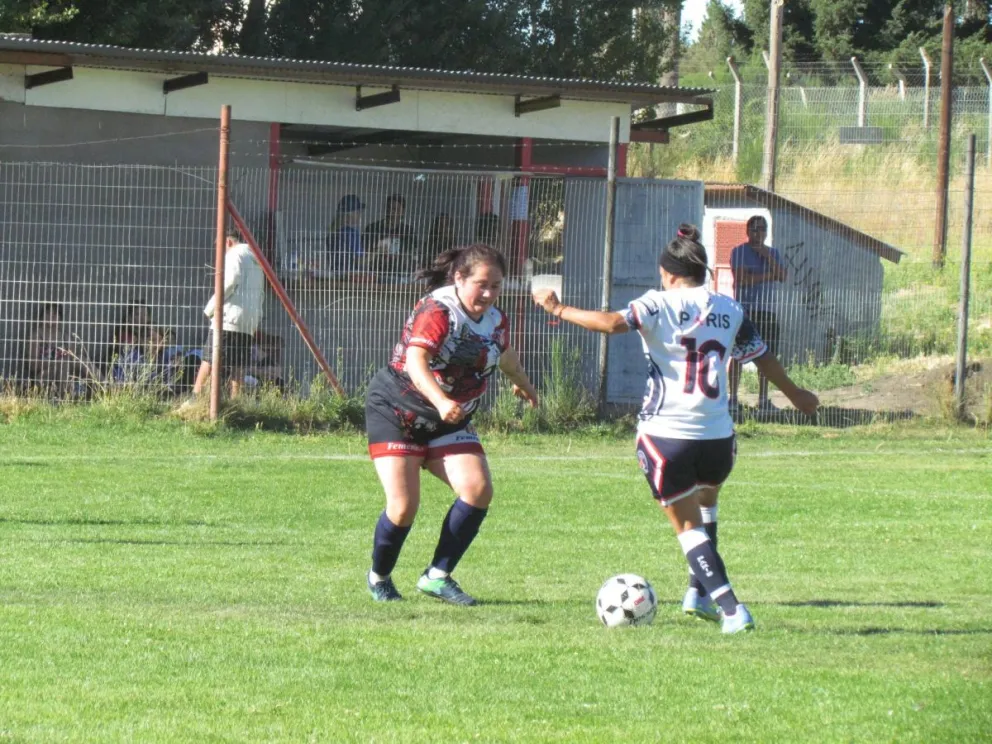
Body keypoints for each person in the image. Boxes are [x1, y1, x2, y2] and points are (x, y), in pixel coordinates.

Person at [533, 224, 818, 634]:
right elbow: (762, 358)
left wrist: (558, 309)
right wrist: (796, 394)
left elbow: (611, 323)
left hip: (667, 435)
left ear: (667, 274)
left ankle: (732, 609)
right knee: (706, 504)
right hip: (717, 437)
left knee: (687, 528)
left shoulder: (656, 303)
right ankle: (697, 593)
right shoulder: (730, 309)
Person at [364, 243, 539, 605]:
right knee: (403, 506)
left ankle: (437, 576)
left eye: (496, 286)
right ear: (459, 278)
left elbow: (504, 354)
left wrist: (523, 382)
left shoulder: (495, 320)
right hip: (398, 411)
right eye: (481, 285)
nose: (489, 294)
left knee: (477, 489)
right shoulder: (439, 310)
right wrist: (442, 401)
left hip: (449, 419)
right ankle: (379, 577)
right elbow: (415, 361)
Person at [192, 229, 266, 400]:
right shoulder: (256, 259)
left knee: (209, 358)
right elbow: (261, 293)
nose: (220, 252)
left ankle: (195, 399)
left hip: (229, 318)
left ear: (228, 242)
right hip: (248, 321)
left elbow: (230, 282)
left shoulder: (234, 254)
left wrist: (210, 308)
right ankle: (236, 402)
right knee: (238, 364)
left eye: (220, 246)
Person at [730, 215, 788, 412]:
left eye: (762, 229)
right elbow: (742, 280)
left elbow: (782, 276)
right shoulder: (739, 251)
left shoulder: (773, 253)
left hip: (767, 310)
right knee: (737, 355)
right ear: (747, 231)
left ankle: (763, 400)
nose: (758, 233)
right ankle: (733, 399)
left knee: (766, 356)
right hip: (745, 310)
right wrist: (770, 275)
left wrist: (766, 256)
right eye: (754, 229)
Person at [364, 194, 419, 278]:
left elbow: (413, 254)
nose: (391, 211)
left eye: (396, 209)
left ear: (402, 212)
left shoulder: (408, 231)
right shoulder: (373, 228)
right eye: (389, 208)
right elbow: (365, 253)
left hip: (400, 273)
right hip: (375, 273)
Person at [325, 194, 365, 273]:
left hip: (336, 275)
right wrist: (377, 251)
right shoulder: (351, 234)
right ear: (350, 214)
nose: (360, 215)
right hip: (351, 276)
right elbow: (360, 261)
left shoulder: (332, 233)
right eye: (358, 212)